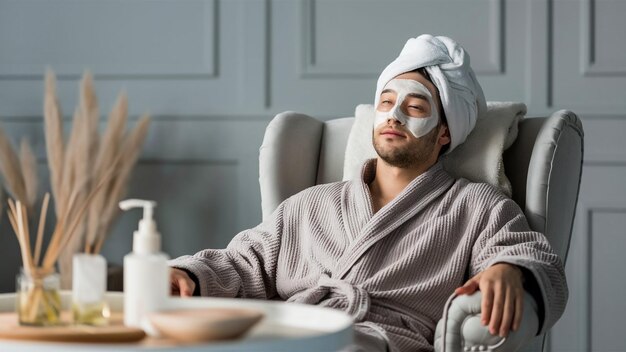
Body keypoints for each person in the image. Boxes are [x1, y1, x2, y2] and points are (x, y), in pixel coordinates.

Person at [168, 34, 567, 351]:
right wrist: (187, 273)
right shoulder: (312, 204)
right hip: (288, 335)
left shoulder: (474, 206)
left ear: (445, 133)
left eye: (414, 107)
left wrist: (510, 269)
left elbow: (533, 255)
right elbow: (242, 263)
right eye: (386, 102)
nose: (393, 115)